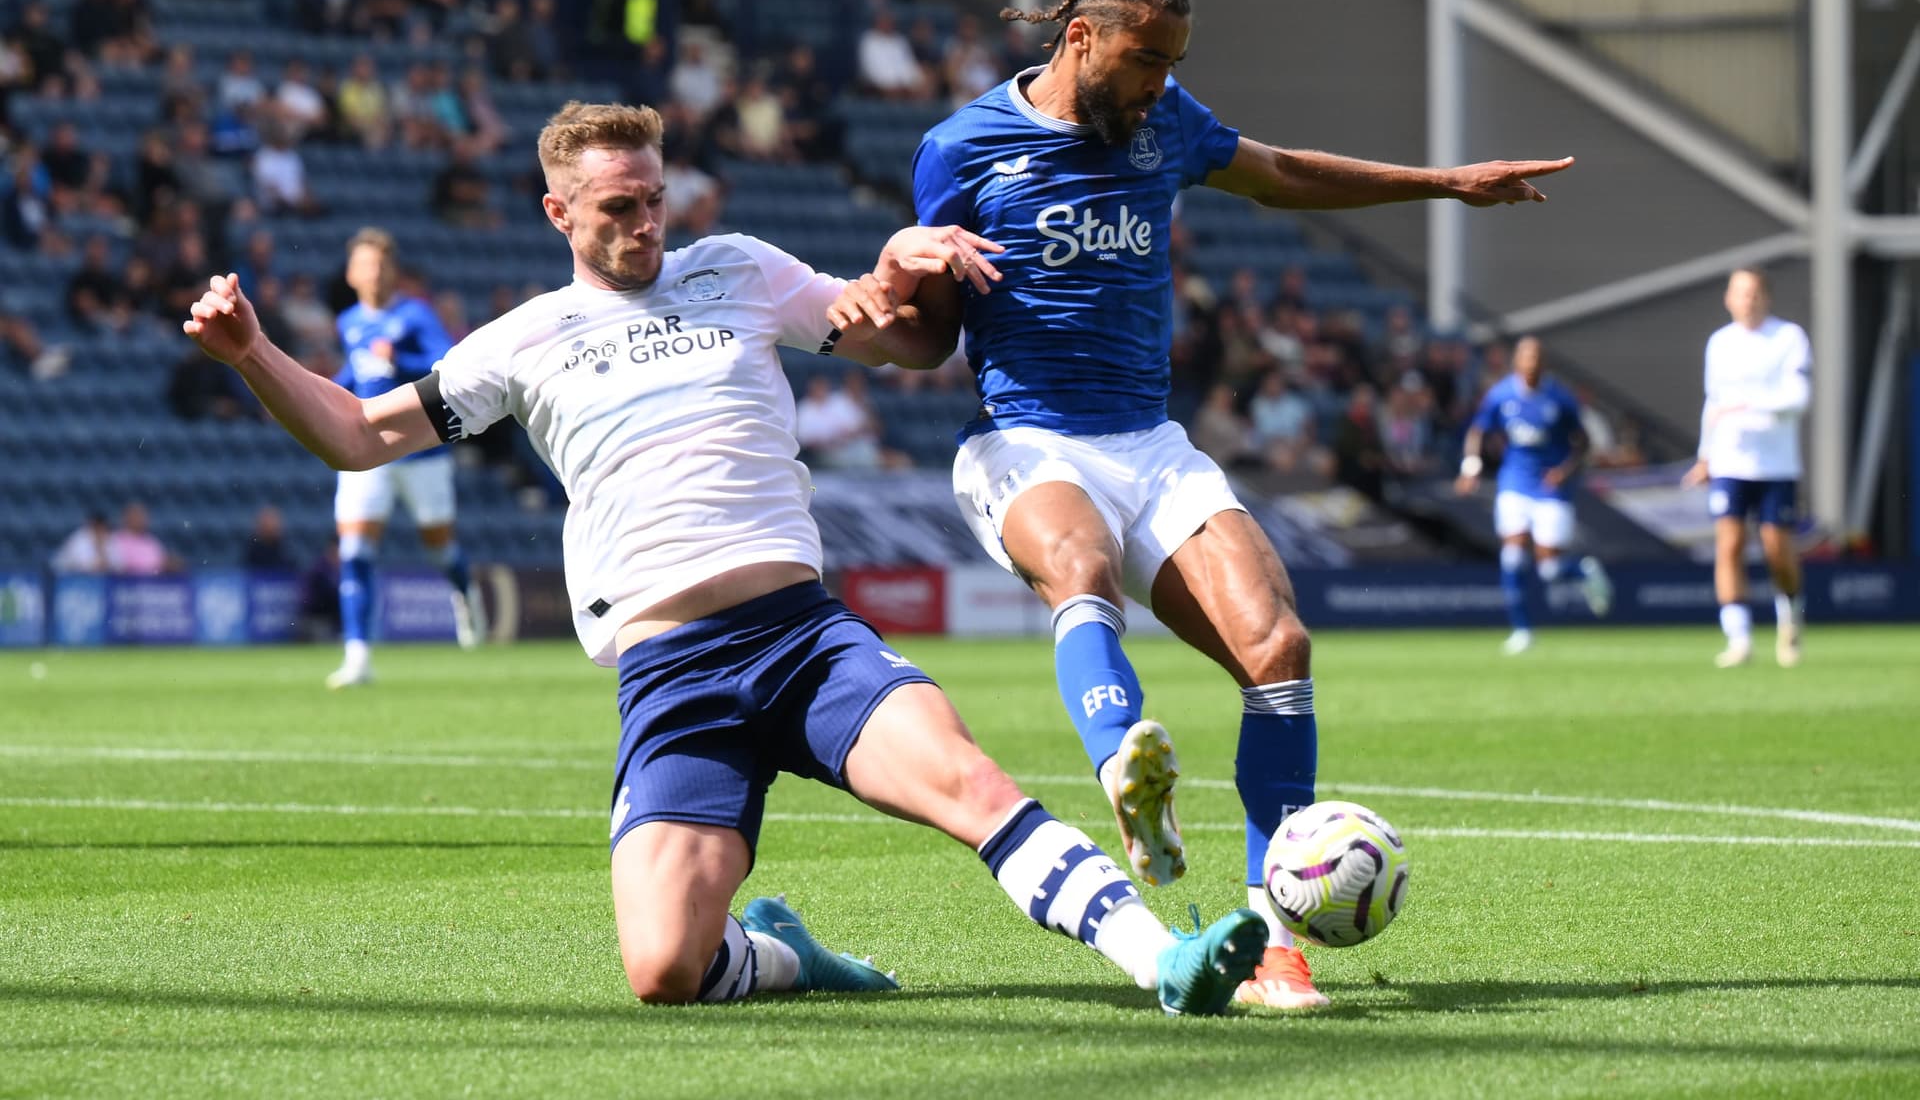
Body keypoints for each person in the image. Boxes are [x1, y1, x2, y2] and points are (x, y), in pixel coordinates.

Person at [180, 99, 1267, 1012]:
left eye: (656, 198)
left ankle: (1161, 956)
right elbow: (359, 435)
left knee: (970, 783)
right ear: (558, 211)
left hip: (801, 636)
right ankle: (791, 956)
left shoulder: (738, 268)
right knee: (662, 967)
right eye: (618, 206)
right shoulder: (522, 340)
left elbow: (903, 340)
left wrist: (897, 263)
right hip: (671, 676)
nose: (646, 222)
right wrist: (253, 353)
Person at [875, 0, 1573, 1011]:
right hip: (1026, 437)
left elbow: (1283, 172)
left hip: (1149, 442)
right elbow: (926, 342)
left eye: (1173, 61)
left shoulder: (1166, 123)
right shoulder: (962, 146)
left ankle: (1269, 942)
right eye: (1147, 58)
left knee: (1278, 645)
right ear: (1080, 38)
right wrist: (902, 268)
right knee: (1080, 562)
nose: (1161, 80)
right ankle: (1124, 763)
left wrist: (1443, 183)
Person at [325, 226, 485, 687]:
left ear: (392, 271)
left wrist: (402, 361)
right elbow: (357, 375)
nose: (373, 273)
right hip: (367, 451)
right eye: (365, 265)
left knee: (440, 549)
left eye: (380, 265)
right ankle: (357, 657)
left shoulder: (415, 315)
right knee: (355, 550)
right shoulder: (349, 321)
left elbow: (447, 360)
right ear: (352, 274)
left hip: (419, 451)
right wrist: (320, 394)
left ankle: (462, 587)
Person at [1682, 268, 1810, 669]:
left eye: (1754, 293)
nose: (1747, 300)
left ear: (1765, 297)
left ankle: (1790, 615)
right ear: (1728, 299)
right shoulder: (1719, 343)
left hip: (1776, 464)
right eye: (1740, 293)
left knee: (1777, 550)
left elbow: (1799, 397)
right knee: (1729, 545)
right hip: (1730, 461)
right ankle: (1738, 639)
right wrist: (1705, 455)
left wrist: (1752, 404)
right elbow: (1713, 402)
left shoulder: (1788, 337)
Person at [1455, 336, 1613, 654]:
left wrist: (1565, 471)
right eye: (1526, 357)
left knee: (1549, 570)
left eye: (1536, 357)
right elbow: (1478, 430)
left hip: (1550, 490)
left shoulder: (1560, 399)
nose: (1531, 363)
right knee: (1512, 556)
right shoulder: (1501, 395)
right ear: (1517, 361)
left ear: (1544, 363)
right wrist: (1471, 466)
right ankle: (1522, 630)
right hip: (1514, 483)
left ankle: (1583, 571)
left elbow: (1582, 443)